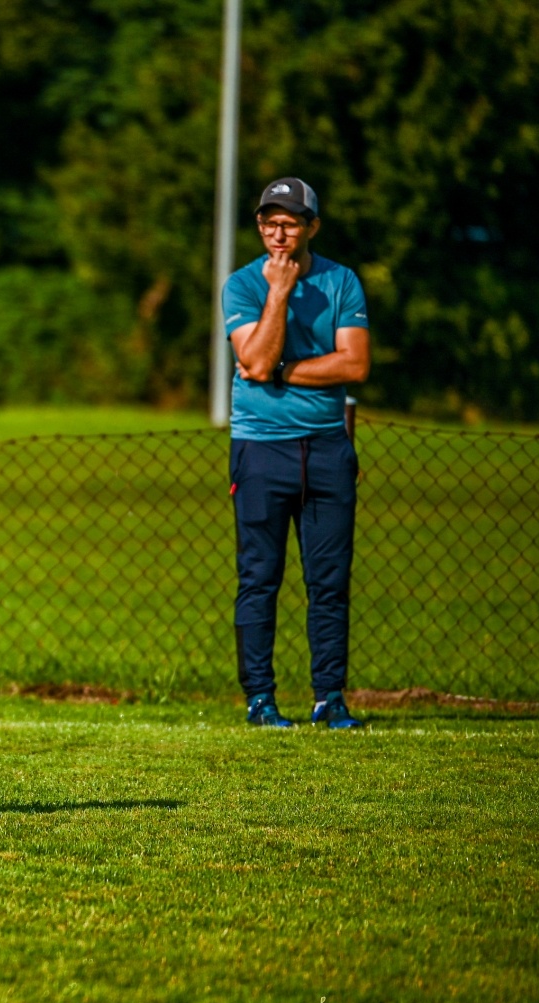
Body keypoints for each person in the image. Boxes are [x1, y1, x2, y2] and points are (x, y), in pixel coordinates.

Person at [222, 177, 370, 729]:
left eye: (288, 223)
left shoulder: (342, 282)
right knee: (259, 577)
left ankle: (329, 698)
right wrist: (278, 294)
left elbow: (354, 365)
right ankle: (260, 699)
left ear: (312, 227)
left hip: (328, 448)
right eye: (267, 222)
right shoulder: (241, 286)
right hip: (260, 449)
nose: (276, 234)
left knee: (328, 581)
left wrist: (285, 371)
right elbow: (253, 363)